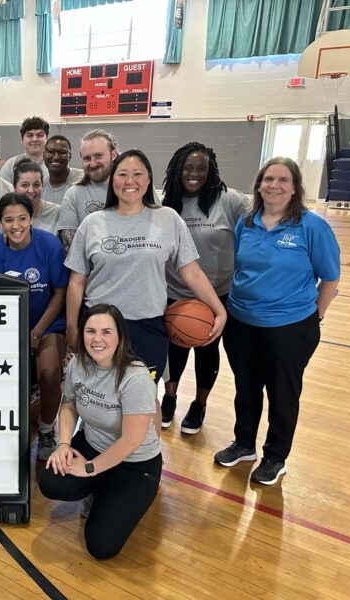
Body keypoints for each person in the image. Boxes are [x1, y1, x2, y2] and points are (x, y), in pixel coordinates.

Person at [215, 157, 340, 486]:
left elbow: (330, 278)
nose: (274, 185)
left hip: (290, 326)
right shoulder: (247, 222)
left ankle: (275, 456)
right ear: (258, 184)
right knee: (246, 388)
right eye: (268, 179)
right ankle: (244, 444)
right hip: (241, 321)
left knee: (283, 393)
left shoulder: (312, 227)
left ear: (296, 187)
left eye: (283, 180)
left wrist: (316, 317)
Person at [64, 149, 227, 395]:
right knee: (97, 397)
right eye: (122, 174)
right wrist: (71, 327)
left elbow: (191, 271)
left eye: (137, 174)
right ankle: (91, 435)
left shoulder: (168, 219)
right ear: (113, 180)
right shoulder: (93, 223)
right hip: (99, 325)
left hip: (148, 326)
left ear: (149, 179)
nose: (130, 181)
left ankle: (139, 436)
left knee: (143, 399)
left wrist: (219, 309)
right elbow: (77, 280)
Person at [38, 304, 161, 560]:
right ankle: (101, 489)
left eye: (106, 332)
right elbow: (69, 404)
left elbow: (131, 440)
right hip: (93, 444)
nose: (97, 339)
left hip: (136, 463)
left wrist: (90, 468)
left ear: (120, 337)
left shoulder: (135, 377)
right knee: (50, 481)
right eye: (91, 331)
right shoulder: (78, 365)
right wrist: (63, 444)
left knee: (101, 547)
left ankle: (113, 491)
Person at [160, 142, 249, 433]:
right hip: (175, 293)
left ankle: (199, 404)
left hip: (216, 294)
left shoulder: (230, 201)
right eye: (188, 167)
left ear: (211, 171)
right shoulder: (166, 203)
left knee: (207, 352)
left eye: (201, 168)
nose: (194, 173)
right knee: (173, 352)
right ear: (177, 170)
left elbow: (260, 220)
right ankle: (169, 398)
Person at [0, 193, 68, 461]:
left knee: (50, 372)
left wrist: (36, 333)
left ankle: (46, 431)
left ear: (32, 219)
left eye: (22, 218)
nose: (16, 225)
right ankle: (8, 429)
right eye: (8, 220)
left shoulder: (49, 245)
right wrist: (15, 334)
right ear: (0, 223)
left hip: (48, 321)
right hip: (11, 324)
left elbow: (59, 294)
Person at [57, 129, 118, 254]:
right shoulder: (73, 195)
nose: (93, 163)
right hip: (92, 271)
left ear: (113, 155)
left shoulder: (132, 189)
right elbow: (70, 247)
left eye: (98, 156)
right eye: (87, 158)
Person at [0, 116, 49, 184]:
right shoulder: (10, 166)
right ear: (22, 140)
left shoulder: (54, 166)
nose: (34, 139)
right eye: (29, 135)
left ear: (47, 139)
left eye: (39, 135)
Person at [42, 135, 83, 205]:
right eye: (51, 152)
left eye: (62, 152)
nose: (56, 157)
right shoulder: (40, 186)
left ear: (70, 156)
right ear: (43, 155)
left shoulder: (83, 179)